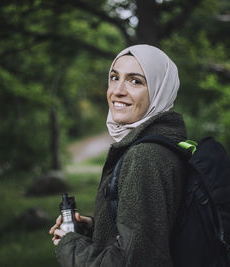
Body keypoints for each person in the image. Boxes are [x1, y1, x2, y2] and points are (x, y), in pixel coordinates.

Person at [49, 44, 187, 266]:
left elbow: (136, 261)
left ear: (160, 90)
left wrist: (71, 245)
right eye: (114, 77)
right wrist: (96, 228)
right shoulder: (165, 143)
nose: (118, 91)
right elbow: (156, 230)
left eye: (135, 81)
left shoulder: (145, 156)